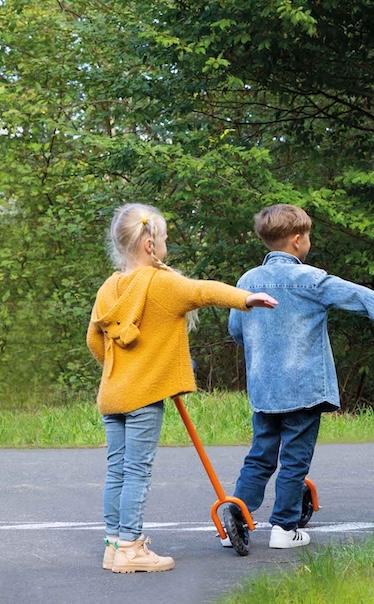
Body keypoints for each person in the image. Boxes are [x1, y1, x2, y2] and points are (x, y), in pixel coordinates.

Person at [86, 203, 278, 573]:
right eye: (165, 240)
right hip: (143, 397)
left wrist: (121, 369)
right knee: (137, 471)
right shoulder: (161, 283)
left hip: (113, 395)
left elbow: (95, 341)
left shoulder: (109, 287)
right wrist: (245, 298)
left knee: (118, 470)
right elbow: (203, 291)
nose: (166, 247)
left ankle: (113, 544)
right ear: (149, 245)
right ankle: (131, 547)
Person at [224, 204, 374, 549]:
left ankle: (236, 521)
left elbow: (237, 330)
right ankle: (284, 528)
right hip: (303, 387)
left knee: (261, 454)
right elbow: (354, 294)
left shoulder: (247, 281)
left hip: (264, 388)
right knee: (294, 457)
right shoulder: (310, 279)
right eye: (308, 236)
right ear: (298, 240)